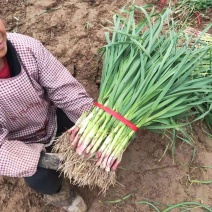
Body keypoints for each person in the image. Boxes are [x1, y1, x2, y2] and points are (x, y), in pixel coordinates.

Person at [0, 18, 94, 212]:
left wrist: (94, 121)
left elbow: (64, 89)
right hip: (20, 143)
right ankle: (61, 195)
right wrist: (44, 160)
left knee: (84, 125)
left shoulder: (25, 47)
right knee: (42, 179)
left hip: (49, 116)